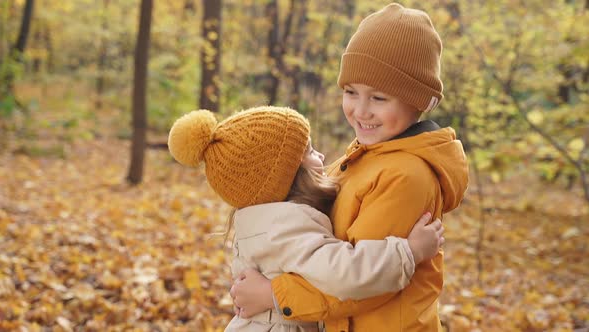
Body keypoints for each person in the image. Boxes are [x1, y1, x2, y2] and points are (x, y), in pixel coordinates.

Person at [229, 3, 470, 332]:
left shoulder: (406, 176)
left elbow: (365, 283)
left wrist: (273, 296)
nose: (360, 110)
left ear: (418, 101)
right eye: (351, 92)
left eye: (379, 98)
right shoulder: (356, 160)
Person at [167, 106, 445, 332]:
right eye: (310, 152)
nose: (322, 156)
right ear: (288, 176)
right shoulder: (287, 225)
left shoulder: (260, 219)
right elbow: (344, 274)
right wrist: (409, 252)